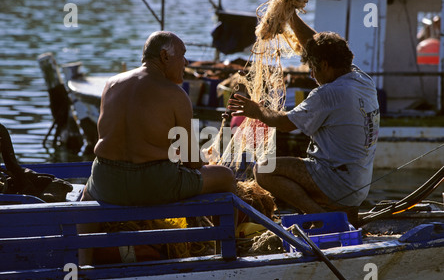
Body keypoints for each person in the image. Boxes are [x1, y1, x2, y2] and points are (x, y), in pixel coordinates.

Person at [228, 12, 380, 225]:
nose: (311, 75)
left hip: (338, 183)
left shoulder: (328, 94)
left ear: (325, 65)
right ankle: (339, 214)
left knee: (263, 168)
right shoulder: (362, 79)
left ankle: (321, 217)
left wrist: (256, 111)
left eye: (313, 68)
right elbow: (316, 43)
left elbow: (285, 124)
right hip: (358, 186)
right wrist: (290, 16)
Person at [82, 31, 236, 206]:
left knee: (87, 192)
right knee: (226, 176)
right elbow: (192, 162)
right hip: (153, 185)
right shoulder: (175, 94)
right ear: (165, 56)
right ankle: (227, 232)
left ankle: (76, 233)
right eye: (182, 55)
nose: (186, 62)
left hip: (106, 180)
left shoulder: (111, 84)